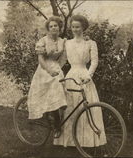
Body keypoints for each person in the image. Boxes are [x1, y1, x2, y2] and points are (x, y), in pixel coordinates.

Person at [54, 15, 107, 147]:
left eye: (77, 27)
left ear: (83, 28)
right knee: (70, 107)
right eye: (73, 27)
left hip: (84, 75)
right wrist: (53, 71)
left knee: (86, 105)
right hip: (71, 76)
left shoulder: (90, 43)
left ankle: (85, 141)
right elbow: (63, 60)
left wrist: (89, 75)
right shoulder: (67, 43)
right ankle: (68, 140)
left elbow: (94, 61)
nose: (75, 29)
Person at [27, 16, 67, 136]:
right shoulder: (43, 41)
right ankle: (56, 126)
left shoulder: (62, 41)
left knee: (60, 90)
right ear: (48, 29)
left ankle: (57, 117)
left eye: (56, 26)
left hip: (56, 67)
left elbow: (64, 58)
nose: (54, 28)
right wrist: (49, 71)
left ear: (59, 27)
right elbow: (41, 60)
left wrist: (57, 68)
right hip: (44, 69)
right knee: (54, 89)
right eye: (51, 26)